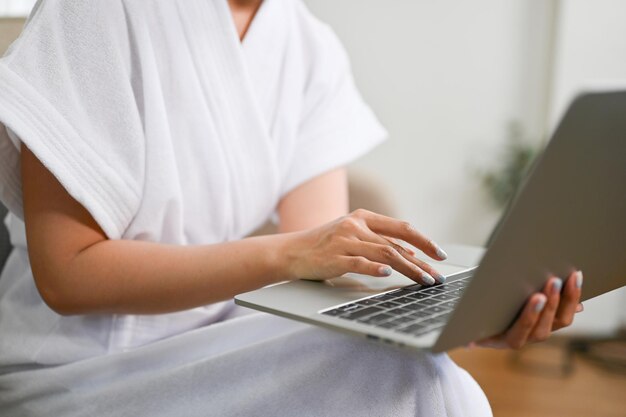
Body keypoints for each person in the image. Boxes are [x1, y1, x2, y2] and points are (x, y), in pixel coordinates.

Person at [0, 0, 583, 415]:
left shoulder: (308, 45)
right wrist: (292, 252)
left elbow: (324, 283)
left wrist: (467, 319)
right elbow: (68, 274)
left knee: (414, 374)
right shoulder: (97, 12)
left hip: (226, 336)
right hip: (80, 369)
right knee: (422, 391)